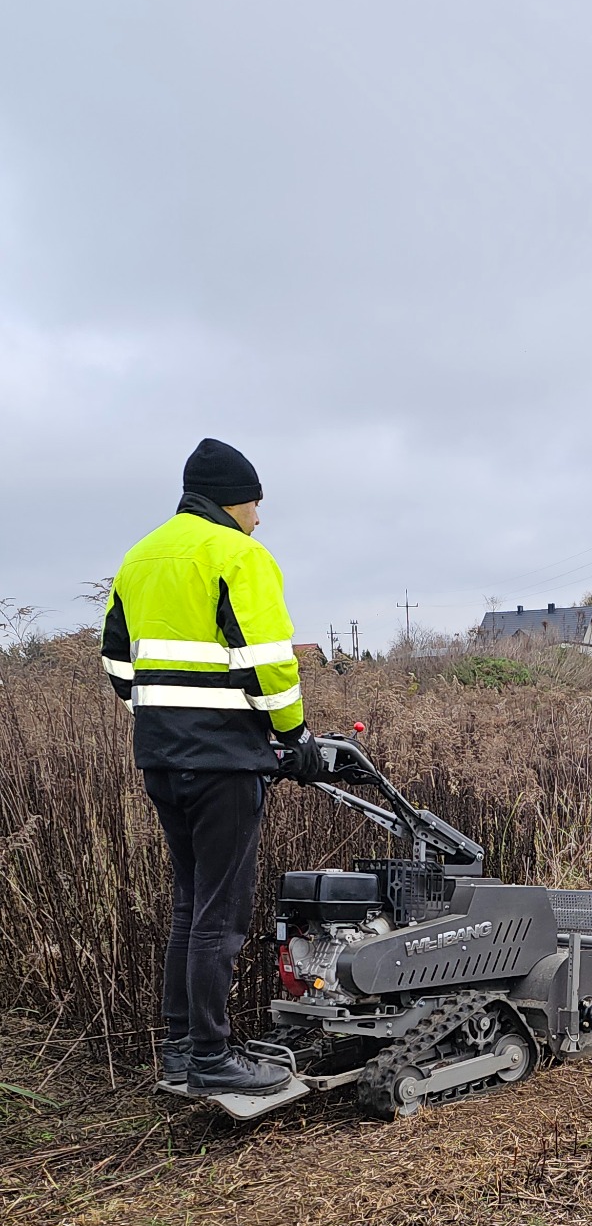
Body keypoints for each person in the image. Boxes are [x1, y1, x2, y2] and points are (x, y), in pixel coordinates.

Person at [100, 438, 325, 1098]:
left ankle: (179, 1050)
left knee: (189, 903)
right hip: (224, 760)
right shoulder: (239, 554)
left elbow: (116, 662)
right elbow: (269, 661)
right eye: (257, 502)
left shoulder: (140, 557)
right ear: (236, 498)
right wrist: (295, 735)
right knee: (221, 914)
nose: (260, 516)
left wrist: (166, 709)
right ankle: (212, 1057)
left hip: (161, 755)